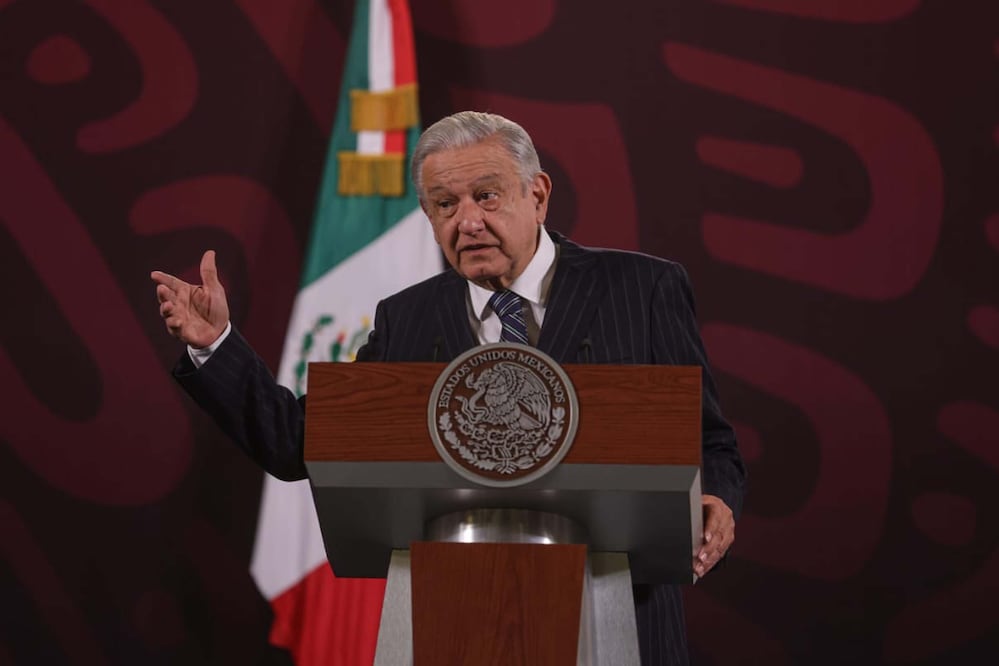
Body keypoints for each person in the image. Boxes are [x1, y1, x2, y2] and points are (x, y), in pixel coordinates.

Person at [151, 111, 746, 666]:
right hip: (452, 618)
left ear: (536, 195)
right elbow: (299, 441)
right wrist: (216, 344)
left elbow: (708, 438)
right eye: (444, 204)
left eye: (486, 195)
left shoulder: (642, 289)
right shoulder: (406, 318)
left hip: (620, 616)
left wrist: (716, 498)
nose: (467, 221)